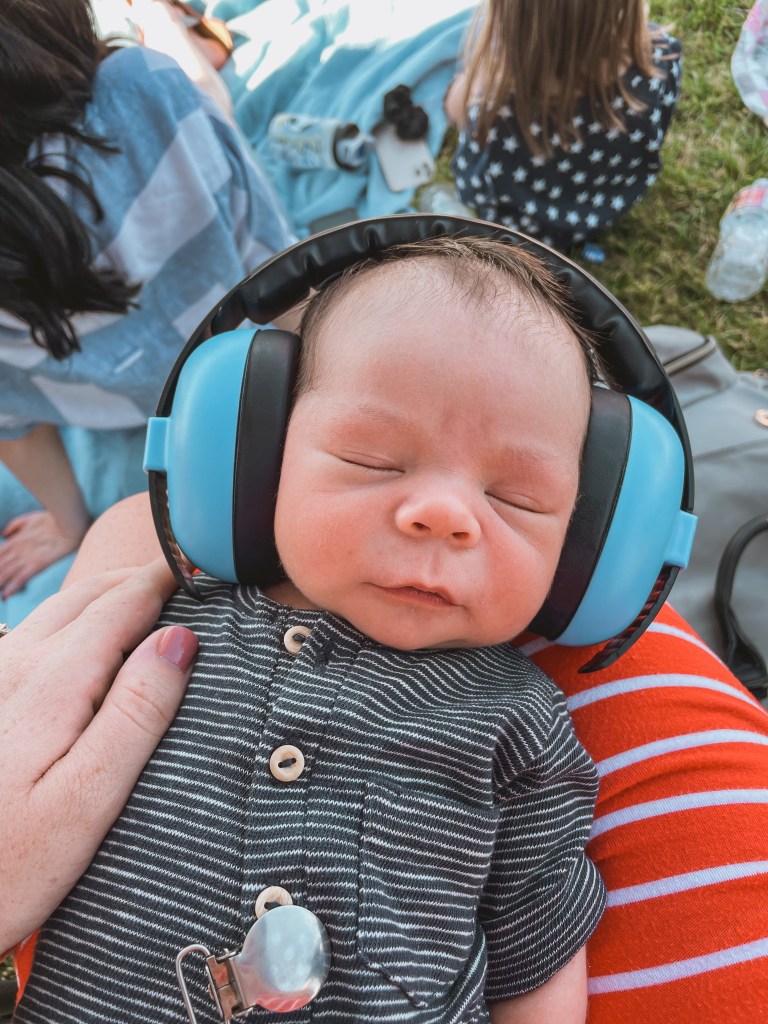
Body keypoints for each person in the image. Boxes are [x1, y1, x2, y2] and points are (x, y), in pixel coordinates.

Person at [13, 236, 609, 1024]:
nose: (446, 515)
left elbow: (538, 964)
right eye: (374, 458)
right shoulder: (151, 618)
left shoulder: (523, 724)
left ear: (589, 538)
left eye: (519, 499)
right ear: (256, 455)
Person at [0, 0, 295, 600]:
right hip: (252, 379)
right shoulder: (144, 86)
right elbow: (274, 262)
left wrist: (68, 525)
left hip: (116, 440)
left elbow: (14, 423)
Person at [445, 0, 683, 251]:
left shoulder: (497, 107)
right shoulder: (661, 59)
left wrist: (480, 75)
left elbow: (454, 111)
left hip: (523, 227)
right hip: (605, 207)